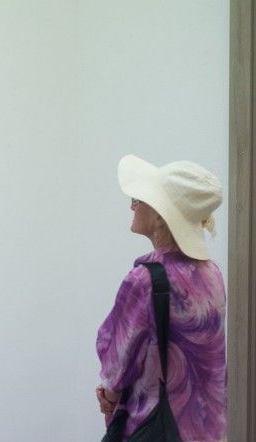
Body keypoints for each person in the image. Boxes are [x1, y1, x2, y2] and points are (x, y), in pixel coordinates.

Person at [95, 155, 226, 441]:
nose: (132, 206)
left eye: (138, 199)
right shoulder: (212, 274)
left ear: (158, 216)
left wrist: (108, 397)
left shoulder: (142, 282)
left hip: (155, 430)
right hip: (208, 433)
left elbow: (116, 368)